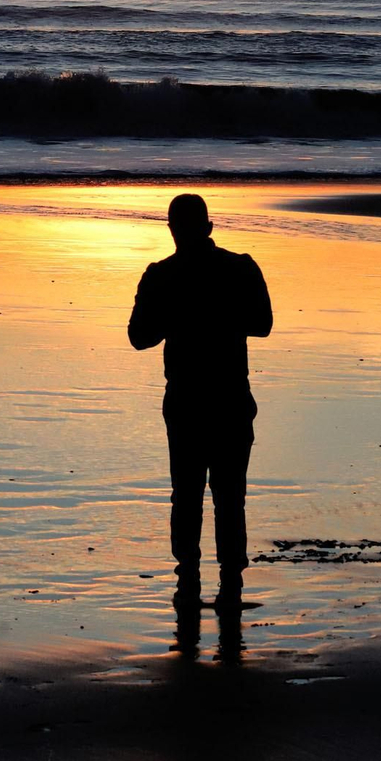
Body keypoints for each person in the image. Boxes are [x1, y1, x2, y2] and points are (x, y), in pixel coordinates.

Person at [128, 193, 272, 610]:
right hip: (227, 398)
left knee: (187, 494)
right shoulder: (239, 267)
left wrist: (177, 310)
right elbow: (262, 325)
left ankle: (188, 582)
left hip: (190, 401)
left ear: (172, 229)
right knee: (229, 496)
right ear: (209, 228)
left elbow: (140, 337)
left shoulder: (160, 275)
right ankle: (229, 585)